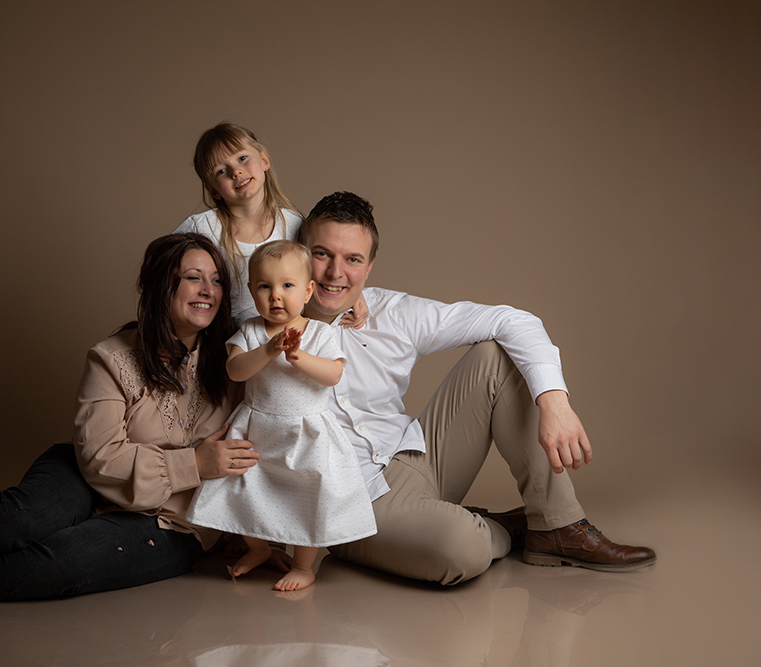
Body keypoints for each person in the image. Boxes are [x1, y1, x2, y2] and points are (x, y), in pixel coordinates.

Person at [0, 233, 265, 603]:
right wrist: (195, 464)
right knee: (15, 521)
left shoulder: (235, 361)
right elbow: (101, 458)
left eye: (216, 281)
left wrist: (268, 536)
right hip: (86, 472)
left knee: (59, 563)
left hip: (171, 518)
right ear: (159, 286)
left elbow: (279, 432)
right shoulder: (112, 357)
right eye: (193, 278)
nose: (208, 290)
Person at [294, 191, 656, 586]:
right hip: (357, 503)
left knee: (495, 356)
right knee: (461, 550)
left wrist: (555, 403)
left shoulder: (391, 311)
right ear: (299, 252)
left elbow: (513, 321)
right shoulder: (265, 331)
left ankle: (557, 525)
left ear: (370, 266)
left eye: (352, 259)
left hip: (417, 458)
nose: (335, 273)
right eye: (322, 254)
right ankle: (503, 529)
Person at [186, 241, 376, 591]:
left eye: (287, 286)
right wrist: (269, 350)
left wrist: (298, 357)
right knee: (243, 491)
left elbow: (333, 374)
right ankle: (259, 548)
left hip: (307, 432)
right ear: (252, 292)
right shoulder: (251, 332)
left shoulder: (319, 332)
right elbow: (236, 371)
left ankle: (305, 565)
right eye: (264, 286)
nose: (276, 296)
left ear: (307, 292)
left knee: (311, 497)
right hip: (258, 428)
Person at [175, 122, 366, 328]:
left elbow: (321, 271)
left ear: (264, 160)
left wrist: (355, 296)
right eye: (221, 171)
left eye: (242, 159)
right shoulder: (202, 228)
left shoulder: (293, 224)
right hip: (225, 344)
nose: (236, 172)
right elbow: (163, 278)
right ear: (212, 189)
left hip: (283, 338)